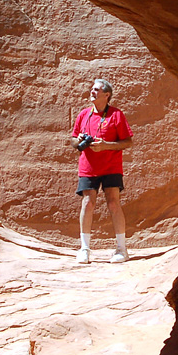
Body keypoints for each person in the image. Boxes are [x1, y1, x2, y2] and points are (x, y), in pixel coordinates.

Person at [70, 78, 134, 264]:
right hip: (88, 166)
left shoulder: (116, 115)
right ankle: (84, 249)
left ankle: (122, 249)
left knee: (113, 204)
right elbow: (74, 141)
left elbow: (128, 142)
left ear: (107, 95)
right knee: (87, 203)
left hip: (111, 167)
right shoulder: (84, 115)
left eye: (97, 89)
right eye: (92, 89)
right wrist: (80, 139)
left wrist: (106, 146)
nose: (92, 92)